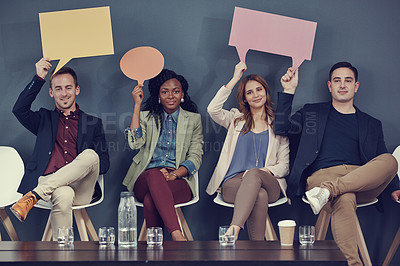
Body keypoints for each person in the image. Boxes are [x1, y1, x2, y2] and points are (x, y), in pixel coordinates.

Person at [275, 62, 399, 265]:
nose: (342, 85)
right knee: (344, 196)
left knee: (390, 160)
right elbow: (281, 128)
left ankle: (329, 190)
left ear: (356, 86)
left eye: (348, 80)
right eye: (337, 80)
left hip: (361, 180)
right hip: (323, 176)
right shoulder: (312, 112)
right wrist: (289, 91)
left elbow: (380, 155)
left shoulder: (371, 123)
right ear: (329, 86)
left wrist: (395, 187)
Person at [11, 58, 110, 239]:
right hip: (54, 189)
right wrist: (39, 77)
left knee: (90, 155)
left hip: (81, 187)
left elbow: (103, 163)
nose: (64, 93)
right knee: (63, 194)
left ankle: (33, 196)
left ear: (76, 90)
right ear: (51, 92)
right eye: (58, 89)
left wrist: (77, 169)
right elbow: (19, 109)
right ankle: (62, 256)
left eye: (68, 87)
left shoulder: (93, 123)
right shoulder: (43, 119)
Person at [206, 62, 289, 240]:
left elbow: (284, 166)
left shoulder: (278, 124)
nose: (255, 95)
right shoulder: (235, 120)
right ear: (244, 98)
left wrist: (262, 172)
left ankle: (234, 229)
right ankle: (257, 251)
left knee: (254, 176)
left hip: (269, 182)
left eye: (259, 89)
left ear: (266, 92)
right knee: (259, 194)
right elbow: (212, 110)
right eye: (249, 92)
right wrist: (235, 78)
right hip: (233, 184)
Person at [123, 69, 203, 241]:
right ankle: (177, 235)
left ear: (182, 94)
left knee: (151, 200)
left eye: (175, 91)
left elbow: (195, 157)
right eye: (165, 92)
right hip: (145, 177)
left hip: (178, 180)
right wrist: (137, 105)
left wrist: (174, 175)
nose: (171, 96)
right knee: (154, 175)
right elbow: (134, 143)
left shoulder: (194, 120)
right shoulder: (146, 117)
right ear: (158, 96)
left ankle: (155, 248)